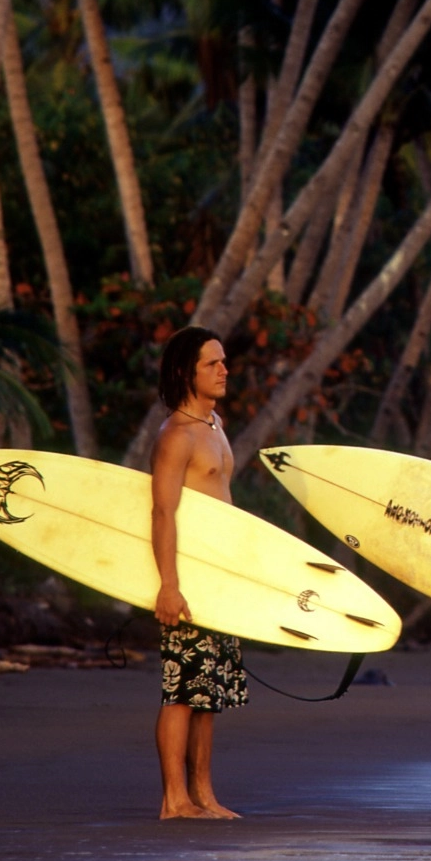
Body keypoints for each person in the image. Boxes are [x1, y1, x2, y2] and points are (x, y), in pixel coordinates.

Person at [150, 325, 246, 820]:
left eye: (224, 361)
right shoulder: (177, 435)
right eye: (214, 363)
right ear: (189, 372)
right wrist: (168, 585)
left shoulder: (215, 425)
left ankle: (203, 795)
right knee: (181, 689)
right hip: (186, 579)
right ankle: (173, 799)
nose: (225, 370)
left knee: (210, 692)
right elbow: (163, 512)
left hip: (218, 578)